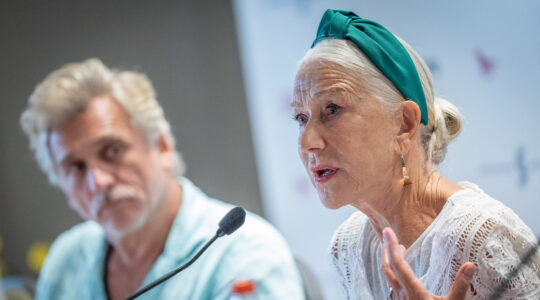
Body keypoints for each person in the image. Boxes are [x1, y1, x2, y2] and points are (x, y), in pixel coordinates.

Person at [292, 9, 540, 299]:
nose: (307, 141)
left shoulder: (482, 237)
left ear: (404, 124)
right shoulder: (346, 248)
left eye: (332, 109)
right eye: (300, 118)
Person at [20, 59, 305, 300]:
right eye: (76, 167)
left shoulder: (243, 252)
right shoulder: (65, 262)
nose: (98, 182)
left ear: (162, 146)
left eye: (112, 151)